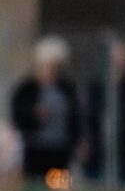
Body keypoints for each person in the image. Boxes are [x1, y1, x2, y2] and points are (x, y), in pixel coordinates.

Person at [11, 36, 82, 178]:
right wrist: (34, 114)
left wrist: (76, 141)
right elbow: (17, 115)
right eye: (50, 66)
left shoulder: (67, 89)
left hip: (59, 150)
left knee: (58, 187)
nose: (53, 70)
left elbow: (76, 116)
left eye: (57, 66)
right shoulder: (27, 89)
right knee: (34, 187)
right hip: (35, 150)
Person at [86, 39, 125, 182]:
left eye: (124, 59)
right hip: (98, 153)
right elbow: (88, 117)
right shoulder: (95, 88)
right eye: (117, 59)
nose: (121, 63)